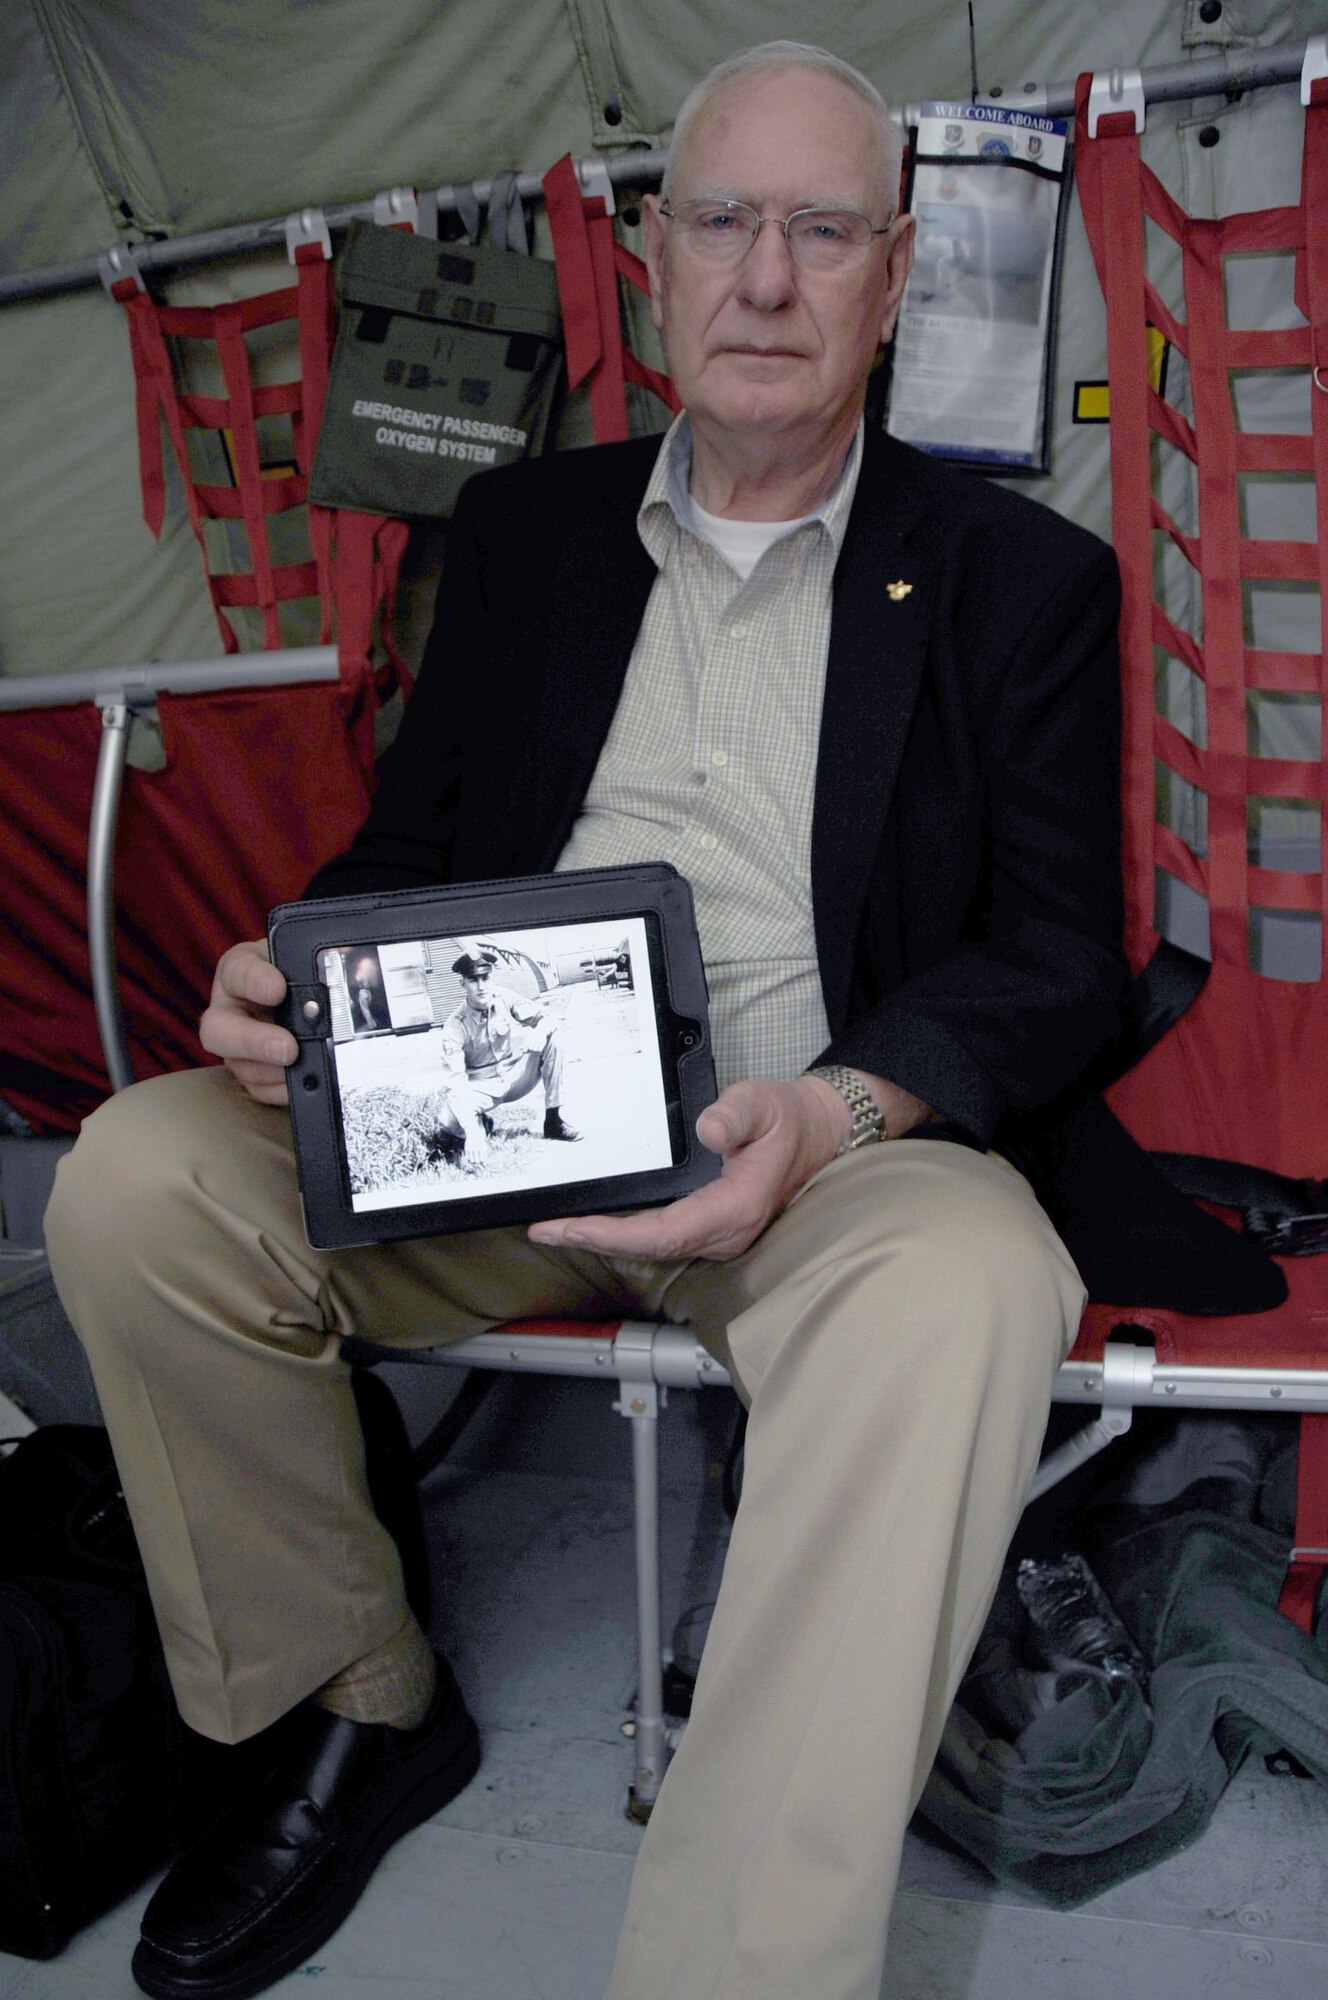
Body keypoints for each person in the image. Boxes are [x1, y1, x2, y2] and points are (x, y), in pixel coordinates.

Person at [44, 37, 1252, 2000]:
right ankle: (358, 1697)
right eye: (722, 222)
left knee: (969, 1291)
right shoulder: (522, 538)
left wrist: (844, 1109)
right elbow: (410, 845)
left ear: (891, 273)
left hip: (821, 1152)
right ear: (650, 250)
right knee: (131, 1178)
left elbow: (1054, 957)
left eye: (821, 232)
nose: (765, 278)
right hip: (496, 1120)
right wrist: (303, 966)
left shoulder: (1021, 582)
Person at [429, 949, 579, 1158]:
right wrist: (471, 1132)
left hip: (515, 1076)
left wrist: (539, 1033)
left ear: (493, 978)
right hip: (482, 1087)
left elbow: (549, 1017)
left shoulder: (503, 997)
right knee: (447, 1119)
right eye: (473, 980)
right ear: (462, 984)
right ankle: (481, 1123)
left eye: (485, 978)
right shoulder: (454, 1026)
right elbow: (456, 1082)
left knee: (554, 1038)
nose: (481, 986)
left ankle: (554, 1121)